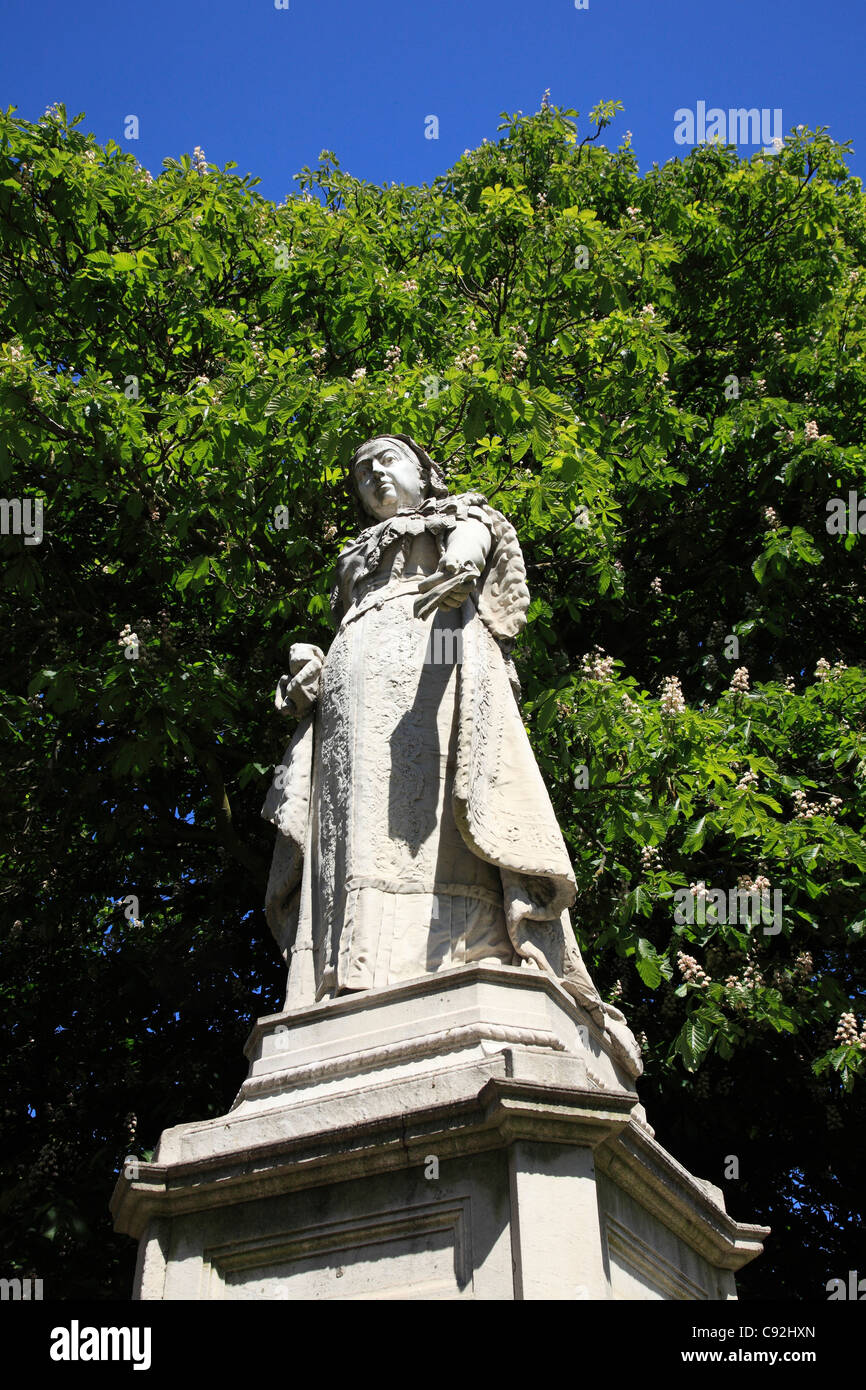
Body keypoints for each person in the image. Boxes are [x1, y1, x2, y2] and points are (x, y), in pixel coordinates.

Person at [262, 434, 641, 1075]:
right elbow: (348, 619)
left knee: (438, 811)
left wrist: (458, 569)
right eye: (361, 473)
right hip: (353, 695)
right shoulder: (354, 560)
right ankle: (356, 967)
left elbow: (474, 544)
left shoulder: (459, 515)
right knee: (356, 824)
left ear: (424, 471)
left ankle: (458, 953)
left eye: (388, 461)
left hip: (435, 664)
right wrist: (309, 674)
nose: (374, 476)